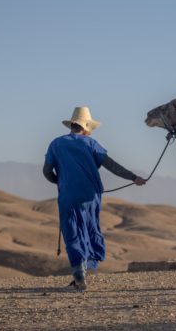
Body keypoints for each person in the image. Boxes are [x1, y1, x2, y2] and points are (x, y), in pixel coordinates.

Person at [42, 106, 146, 291]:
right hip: (91, 197)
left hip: (68, 196)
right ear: (86, 127)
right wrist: (134, 178)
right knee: (90, 229)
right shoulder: (91, 144)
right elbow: (112, 165)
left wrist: (59, 181)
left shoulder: (56, 144)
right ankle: (84, 268)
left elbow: (46, 171)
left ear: (72, 125)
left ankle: (79, 275)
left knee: (72, 231)